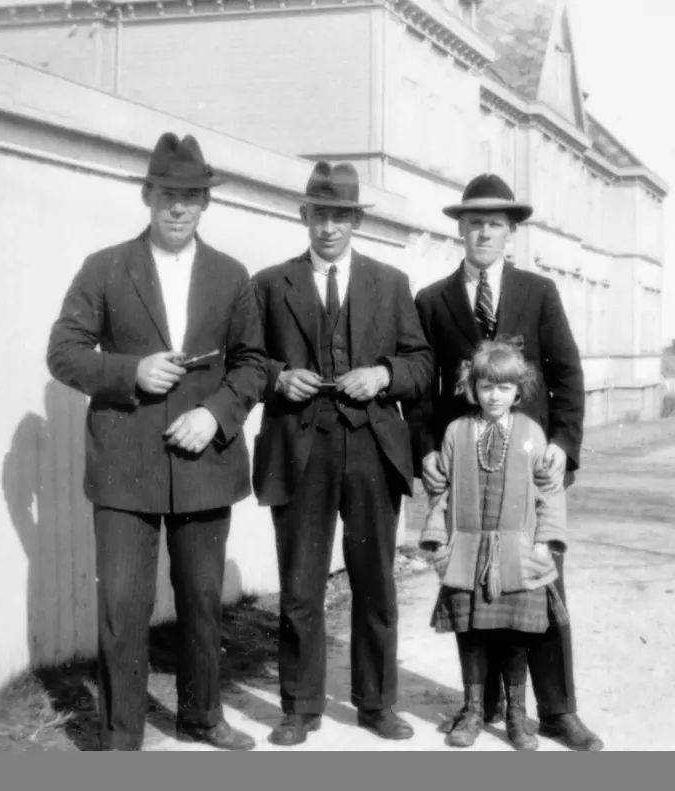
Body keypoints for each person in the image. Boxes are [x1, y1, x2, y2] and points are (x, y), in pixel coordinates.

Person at [46, 132, 267, 751]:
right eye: (169, 194)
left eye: (192, 197)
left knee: (201, 602)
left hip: (206, 462)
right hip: (124, 468)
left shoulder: (230, 275)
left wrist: (216, 414)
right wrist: (129, 371)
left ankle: (202, 715)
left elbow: (253, 363)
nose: (179, 208)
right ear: (146, 194)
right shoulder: (105, 266)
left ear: (206, 205)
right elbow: (63, 352)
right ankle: (122, 735)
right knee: (122, 607)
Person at [408, 173, 603, 751]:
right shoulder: (433, 300)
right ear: (460, 231)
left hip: (528, 469)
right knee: (473, 587)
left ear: (511, 233)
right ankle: (484, 704)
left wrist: (563, 444)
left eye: (495, 224)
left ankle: (558, 709)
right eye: (474, 223)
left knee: (538, 586)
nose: (483, 232)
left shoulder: (539, 293)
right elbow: (422, 390)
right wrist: (425, 450)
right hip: (467, 473)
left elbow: (567, 374)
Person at [251, 161, 434, 746]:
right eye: (318, 214)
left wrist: (381, 375)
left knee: (375, 579)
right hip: (300, 447)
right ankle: (299, 706)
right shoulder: (270, 283)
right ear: (303, 216)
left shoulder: (390, 283)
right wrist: (280, 377)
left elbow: (422, 364)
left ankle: (376, 703)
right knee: (301, 582)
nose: (328, 226)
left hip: (372, 448)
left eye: (340, 216)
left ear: (356, 221)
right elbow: (246, 361)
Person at [419, 340, 569, 751]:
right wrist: (439, 545)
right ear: (473, 389)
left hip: (516, 554)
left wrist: (543, 546)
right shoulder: (456, 432)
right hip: (466, 551)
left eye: (504, 388)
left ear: (518, 391)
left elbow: (549, 491)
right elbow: (440, 493)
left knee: (514, 635)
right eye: (486, 387)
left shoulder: (530, 433)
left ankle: (518, 717)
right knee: (471, 634)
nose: (494, 396)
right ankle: (472, 711)